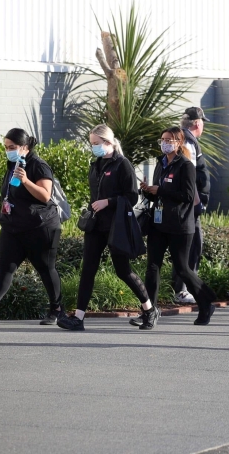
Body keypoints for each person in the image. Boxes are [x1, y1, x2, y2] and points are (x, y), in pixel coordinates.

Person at [57, 125, 157, 331]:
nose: (93, 147)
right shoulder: (96, 164)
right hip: (96, 226)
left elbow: (131, 197)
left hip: (116, 226)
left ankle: (149, 309)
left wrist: (108, 202)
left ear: (108, 142)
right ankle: (78, 318)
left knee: (123, 271)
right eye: (92, 144)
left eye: (96, 143)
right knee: (87, 271)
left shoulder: (123, 165)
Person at [0, 129, 63, 326]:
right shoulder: (13, 163)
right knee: (5, 267)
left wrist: (26, 181)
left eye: (12, 147)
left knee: (46, 269)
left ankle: (56, 309)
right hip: (14, 227)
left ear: (25, 147)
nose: (8, 151)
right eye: (6, 147)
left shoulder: (39, 166)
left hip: (40, 227)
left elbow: (45, 196)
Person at [140, 127, 218, 324]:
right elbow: (159, 192)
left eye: (169, 139)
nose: (165, 142)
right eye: (163, 139)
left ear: (179, 142)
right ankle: (150, 312)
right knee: (152, 267)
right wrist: (149, 191)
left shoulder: (185, 165)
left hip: (180, 225)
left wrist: (161, 190)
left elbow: (189, 196)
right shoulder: (161, 163)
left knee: (183, 268)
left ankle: (206, 300)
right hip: (158, 223)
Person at [172, 107, 213, 305]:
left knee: (188, 247)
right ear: (197, 123)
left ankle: (182, 289)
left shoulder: (183, 139)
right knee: (192, 247)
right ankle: (183, 290)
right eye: (202, 122)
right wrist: (196, 204)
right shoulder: (188, 142)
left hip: (185, 205)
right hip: (189, 206)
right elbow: (190, 176)